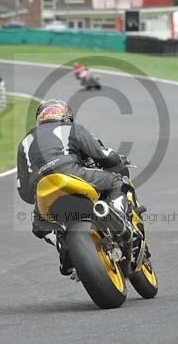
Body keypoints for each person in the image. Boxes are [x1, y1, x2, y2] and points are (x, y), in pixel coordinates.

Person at [16, 99, 131, 247]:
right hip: (71, 172)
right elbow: (103, 155)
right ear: (67, 115)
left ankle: (63, 250)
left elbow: (24, 191)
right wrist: (118, 162)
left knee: (41, 227)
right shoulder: (71, 128)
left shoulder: (24, 142)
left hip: (42, 188)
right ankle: (119, 220)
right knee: (117, 182)